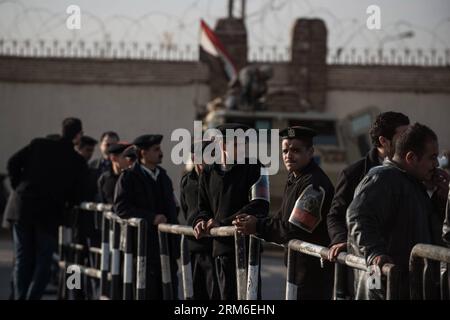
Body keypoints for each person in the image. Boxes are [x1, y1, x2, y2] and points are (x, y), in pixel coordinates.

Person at [347, 123, 449, 300]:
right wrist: (375, 252)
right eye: (432, 158)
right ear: (411, 157)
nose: (436, 164)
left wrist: (440, 199)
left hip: (405, 286)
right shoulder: (383, 178)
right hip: (384, 285)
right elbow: (358, 215)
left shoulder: (412, 183)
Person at [234, 126, 335, 300]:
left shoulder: (315, 184)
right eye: (285, 150)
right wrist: (254, 221)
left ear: (310, 152)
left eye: (296, 150)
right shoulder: (295, 178)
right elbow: (280, 218)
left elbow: (294, 229)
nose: (289, 155)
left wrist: (257, 225)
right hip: (297, 267)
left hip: (312, 273)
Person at [7, 117, 88, 300]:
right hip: (49, 214)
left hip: (23, 208)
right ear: (78, 136)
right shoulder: (77, 161)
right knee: (43, 261)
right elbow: (78, 195)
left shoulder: (39, 145)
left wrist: (19, 188)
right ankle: (32, 297)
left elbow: (12, 163)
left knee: (22, 259)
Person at [192, 123, 270, 300]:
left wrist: (222, 223)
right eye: (236, 144)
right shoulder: (208, 173)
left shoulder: (256, 168)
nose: (242, 149)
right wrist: (200, 221)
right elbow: (203, 208)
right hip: (219, 251)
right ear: (221, 144)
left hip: (248, 250)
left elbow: (259, 205)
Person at [327, 112, 410, 262]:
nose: (409, 142)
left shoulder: (412, 170)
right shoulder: (354, 173)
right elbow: (336, 215)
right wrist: (340, 240)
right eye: (403, 137)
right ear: (384, 141)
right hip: (368, 260)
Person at [114, 134, 179, 299]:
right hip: (143, 247)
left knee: (168, 291)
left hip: (166, 246)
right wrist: (151, 218)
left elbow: (172, 208)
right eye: (156, 149)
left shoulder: (163, 176)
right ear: (143, 153)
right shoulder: (128, 177)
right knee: (147, 292)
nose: (161, 153)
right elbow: (121, 208)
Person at [180, 140, 219, 300]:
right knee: (194, 293)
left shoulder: (216, 179)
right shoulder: (187, 181)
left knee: (215, 294)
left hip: (213, 247)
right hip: (193, 247)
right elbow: (185, 209)